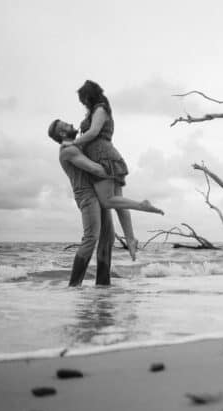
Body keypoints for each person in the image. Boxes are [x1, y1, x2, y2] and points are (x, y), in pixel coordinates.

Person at [65, 80, 163, 260]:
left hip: (104, 157)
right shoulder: (98, 110)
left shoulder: (100, 109)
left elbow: (94, 132)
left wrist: (74, 142)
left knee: (108, 201)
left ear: (88, 96)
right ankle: (131, 239)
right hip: (105, 156)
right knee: (119, 203)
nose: (83, 104)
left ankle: (142, 205)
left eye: (83, 100)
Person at [47, 119, 114, 286]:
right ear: (62, 133)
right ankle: (74, 286)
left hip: (98, 192)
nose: (70, 123)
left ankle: (103, 286)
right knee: (91, 237)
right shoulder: (68, 150)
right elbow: (94, 168)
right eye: (66, 125)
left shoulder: (79, 145)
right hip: (87, 195)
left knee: (108, 238)